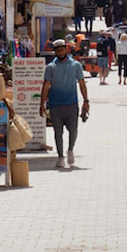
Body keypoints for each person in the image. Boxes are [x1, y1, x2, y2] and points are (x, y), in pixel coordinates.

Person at [41, 39, 89, 168]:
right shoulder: (51, 67)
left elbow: (82, 83)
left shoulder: (76, 65)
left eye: (62, 49)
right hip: (55, 105)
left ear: (66, 49)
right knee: (58, 132)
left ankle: (70, 149)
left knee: (73, 130)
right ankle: (60, 156)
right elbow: (45, 86)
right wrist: (42, 104)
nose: (60, 52)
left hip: (72, 104)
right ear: (55, 52)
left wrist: (86, 100)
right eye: (58, 50)